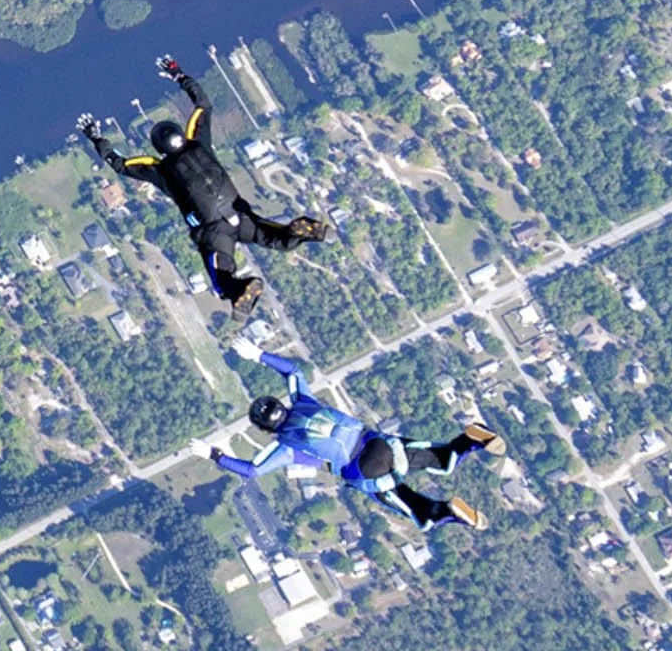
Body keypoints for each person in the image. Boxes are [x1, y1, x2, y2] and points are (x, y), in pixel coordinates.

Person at [78, 54, 328, 314]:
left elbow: (120, 165)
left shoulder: (161, 170)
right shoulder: (199, 143)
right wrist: (178, 74)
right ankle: (299, 231)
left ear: (159, 147)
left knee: (222, 280)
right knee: (277, 238)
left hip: (215, 229)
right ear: (178, 133)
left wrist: (96, 137)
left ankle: (240, 291)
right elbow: (203, 104)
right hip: (237, 214)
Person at [213, 351, 502, 532]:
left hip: (365, 472)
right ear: (279, 403)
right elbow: (293, 371)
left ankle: (447, 513)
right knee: (442, 457)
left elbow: (251, 470)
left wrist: (214, 456)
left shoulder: (286, 446)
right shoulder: (303, 401)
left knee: (418, 510)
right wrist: (258, 354)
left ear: (264, 428)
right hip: (380, 443)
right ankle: (472, 439)